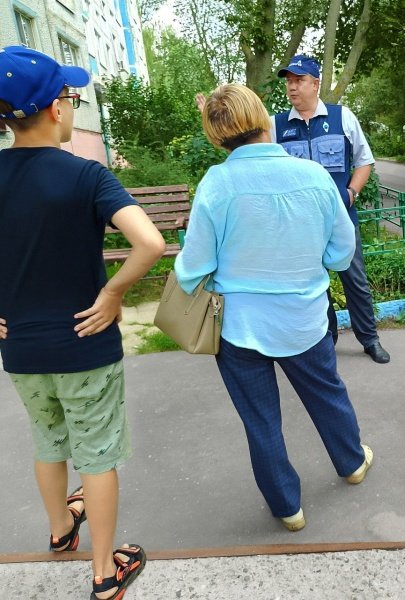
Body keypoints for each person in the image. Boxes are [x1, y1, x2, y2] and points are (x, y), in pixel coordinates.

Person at [0, 46, 165, 598]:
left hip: (22, 350)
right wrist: (114, 293)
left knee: (48, 443)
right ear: (55, 108)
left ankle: (60, 530)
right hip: (85, 344)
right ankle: (104, 575)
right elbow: (150, 243)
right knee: (96, 457)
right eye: (70, 96)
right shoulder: (87, 176)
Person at [175, 83, 373, 531]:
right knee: (328, 394)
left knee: (260, 420)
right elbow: (342, 253)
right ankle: (351, 462)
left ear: (216, 135)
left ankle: (287, 507)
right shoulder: (314, 176)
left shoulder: (216, 184)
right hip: (305, 319)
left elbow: (194, 268)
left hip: (239, 328)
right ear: (264, 118)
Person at [271, 55, 390, 364]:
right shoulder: (276, 126)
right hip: (302, 227)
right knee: (315, 285)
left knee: (356, 282)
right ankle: (328, 339)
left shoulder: (342, 117)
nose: (292, 87)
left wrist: (351, 193)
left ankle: (370, 339)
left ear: (315, 84)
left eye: (298, 80)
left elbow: (364, 161)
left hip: (341, 222)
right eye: (289, 81)